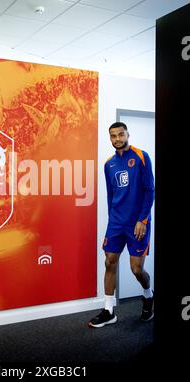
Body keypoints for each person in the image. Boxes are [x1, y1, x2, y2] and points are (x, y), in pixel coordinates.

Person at [88, 122, 155, 328]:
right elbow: (111, 195)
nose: (117, 139)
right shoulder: (109, 164)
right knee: (110, 262)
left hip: (137, 223)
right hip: (116, 222)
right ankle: (109, 310)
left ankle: (148, 295)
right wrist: (111, 220)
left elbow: (149, 190)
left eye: (120, 134)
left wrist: (142, 219)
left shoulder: (141, 156)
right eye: (113, 136)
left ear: (127, 134)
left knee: (136, 270)